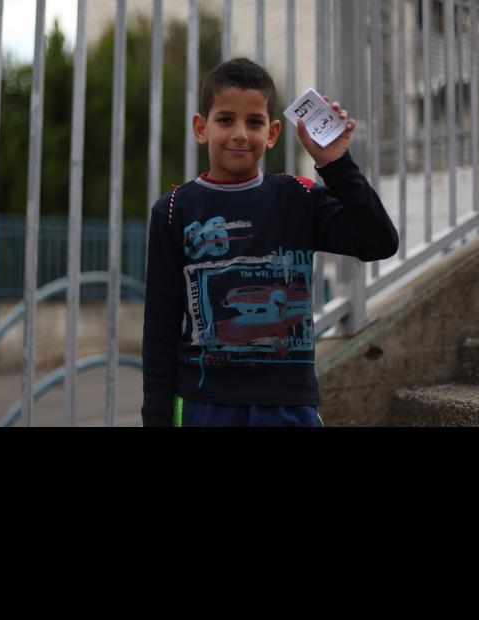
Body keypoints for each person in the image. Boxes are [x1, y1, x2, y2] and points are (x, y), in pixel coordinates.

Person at [141, 57, 399, 427]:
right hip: (205, 406)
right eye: (225, 119)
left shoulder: (300, 197)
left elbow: (379, 242)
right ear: (201, 127)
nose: (241, 134)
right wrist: (156, 419)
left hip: (289, 407)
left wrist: (336, 163)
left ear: (273, 132)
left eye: (255, 122)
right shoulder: (172, 211)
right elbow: (160, 330)